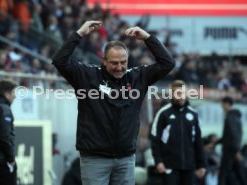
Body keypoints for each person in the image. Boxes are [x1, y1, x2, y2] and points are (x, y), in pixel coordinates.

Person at [52, 20, 175, 185]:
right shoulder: (88, 76)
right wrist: (79, 34)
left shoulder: (138, 77)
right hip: (94, 158)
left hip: (125, 158)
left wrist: (147, 38)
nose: (119, 67)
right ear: (104, 60)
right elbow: (59, 61)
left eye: (123, 62)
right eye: (114, 63)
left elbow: (168, 63)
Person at [150, 80, 206, 185]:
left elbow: (198, 141)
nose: (181, 96)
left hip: (189, 166)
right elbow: (154, 139)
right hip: (169, 165)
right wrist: (158, 161)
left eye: (183, 93)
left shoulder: (193, 114)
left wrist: (201, 164)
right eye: (178, 93)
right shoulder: (163, 113)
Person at [217, 96, 247, 185]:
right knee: (239, 173)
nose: (221, 107)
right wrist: (215, 143)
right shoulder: (235, 117)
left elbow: (233, 135)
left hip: (230, 150)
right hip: (233, 149)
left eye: (222, 104)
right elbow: (229, 136)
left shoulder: (230, 117)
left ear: (226, 103)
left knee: (222, 174)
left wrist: (236, 150)